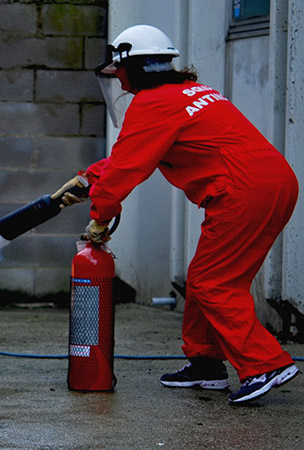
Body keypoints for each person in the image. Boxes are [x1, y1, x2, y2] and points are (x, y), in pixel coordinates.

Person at [54, 24, 299, 404]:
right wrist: (88, 178)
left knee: (211, 283)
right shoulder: (186, 93)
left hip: (242, 190)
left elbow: (126, 170)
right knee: (208, 276)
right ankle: (206, 364)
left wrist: (100, 219)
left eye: (118, 73)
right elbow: (135, 154)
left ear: (131, 66)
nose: (118, 83)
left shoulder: (152, 104)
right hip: (270, 181)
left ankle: (266, 364)